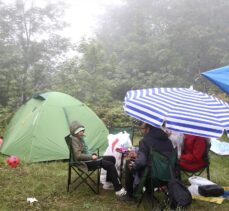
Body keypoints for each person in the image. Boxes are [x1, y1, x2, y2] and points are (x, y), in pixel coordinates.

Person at [69, 121, 127, 199]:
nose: (82, 132)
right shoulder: (74, 140)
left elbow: (85, 150)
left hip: (87, 159)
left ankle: (108, 183)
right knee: (109, 165)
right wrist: (91, 157)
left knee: (111, 158)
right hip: (84, 163)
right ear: (75, 132)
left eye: (83, 130)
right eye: (80, 131)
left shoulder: (80, 139)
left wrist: (92, 155)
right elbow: (78, 156)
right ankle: (118, 189)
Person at [125, 122, 174, 199]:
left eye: (142, 129)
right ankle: (148, 193)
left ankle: (130, 195)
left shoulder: (145, 141)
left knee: (129, 163)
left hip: (152, 177)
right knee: (148, 165)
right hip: (168, 176)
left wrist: (134, 166)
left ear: (148, 129)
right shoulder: (168, 141)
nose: (142, 131)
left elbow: (141, 162)